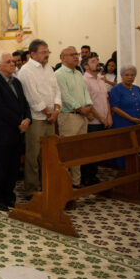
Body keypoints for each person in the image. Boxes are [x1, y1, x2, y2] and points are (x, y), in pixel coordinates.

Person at [0, 53, 31, 211]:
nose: (13, 64)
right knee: (0, 167)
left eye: (13, 61)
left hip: (16, 132)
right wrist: (19, 122)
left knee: (13, 167)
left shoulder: (16, 82)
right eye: (9, 62)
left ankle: (9, 196)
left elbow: (24, 103)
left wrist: (27, 119)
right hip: (1, 133)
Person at [18, 39, 61, 199]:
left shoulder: (49, 69)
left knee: (48, 154)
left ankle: (47, 185)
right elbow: (32, 95)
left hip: (50, 117)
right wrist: (47, 112)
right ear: (33, 54)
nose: (47, 55)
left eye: (47, 52)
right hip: (36, 118)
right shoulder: (26, 70)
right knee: (33, 155)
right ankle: (32, 189)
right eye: (43, 52)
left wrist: (56, 110)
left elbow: (56, 90)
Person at [55, 46, 94, 188]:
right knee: (67, 151)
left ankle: (76, 182)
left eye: (76, 54)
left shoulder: (78, 73)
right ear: (62, 57)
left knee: (78, 151)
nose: (76, 57)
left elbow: (85, 92)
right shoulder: (59, 74)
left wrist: (89, 105)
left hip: (82, 116)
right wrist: (80, 108)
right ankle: (65, 183)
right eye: (72, 55)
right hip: (69, 116)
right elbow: (64, 96)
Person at [82, 53, 113, 186]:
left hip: (104, 120)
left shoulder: (101, 80)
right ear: (86, 66)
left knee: (98, 150)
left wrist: (109, 116)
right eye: (93, 61)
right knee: (89, 150)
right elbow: (88, 103)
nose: (97, 63)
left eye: (98, 61)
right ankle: (86, 177)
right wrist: (101, 118)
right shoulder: (85, 80)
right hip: (93, 122)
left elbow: (106, 99)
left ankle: (94, 175)